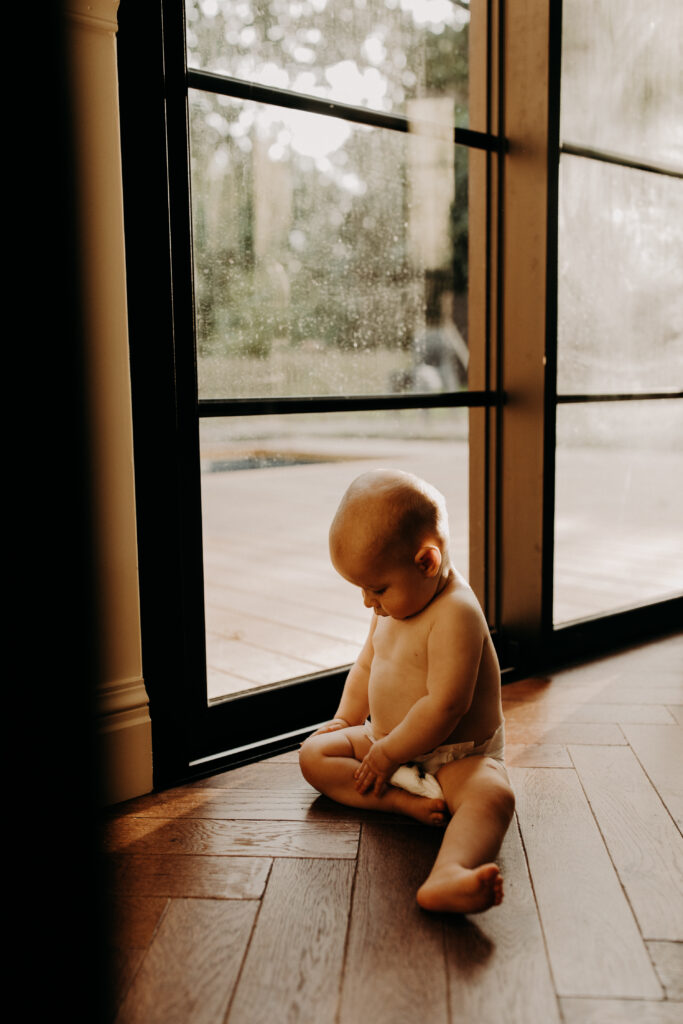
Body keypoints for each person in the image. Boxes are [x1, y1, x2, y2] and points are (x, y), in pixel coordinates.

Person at [299, 469, 515, 914]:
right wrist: (346, 719)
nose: (367, 601)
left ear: (427, 562)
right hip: (387, 744)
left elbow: (446, 705)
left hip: (456, 755)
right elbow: (366, 665)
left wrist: (389, 753)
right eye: (362, 588)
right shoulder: (393, 605)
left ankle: (450, 872)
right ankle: (399, 802)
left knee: (493, 796)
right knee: (313, 754)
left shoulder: (456, 613)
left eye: (376, 588)